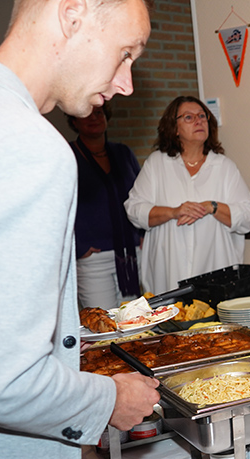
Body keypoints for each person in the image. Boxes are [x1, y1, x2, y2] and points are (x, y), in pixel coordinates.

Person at [0, 1, 160, 459]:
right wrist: (109, 397)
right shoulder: (30, 147)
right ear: (73, 15)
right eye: (124, 54)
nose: (126, 84)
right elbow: (9, 380)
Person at [125, 96, 250, 295]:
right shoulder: (157, 164)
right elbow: (134, 209)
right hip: (168, 270)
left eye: (202, 116)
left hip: (215, 268)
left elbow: (247, 216)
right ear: (174, 128)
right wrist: (173, 212)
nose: (198, 121)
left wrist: (211, 207)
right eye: (189, 117)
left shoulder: (224, 166)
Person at [68, 103, 143, 309]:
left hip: (131, 254)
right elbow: (56, 206)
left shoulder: (123, 153)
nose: (94, 118)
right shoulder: (68, 155)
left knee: (135, 323)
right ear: (74, 121)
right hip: (93, 258)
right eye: (86, 115)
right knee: (105, 324)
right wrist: (79, 248)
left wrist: (143, 234)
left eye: (99, 113)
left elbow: (141, 196)